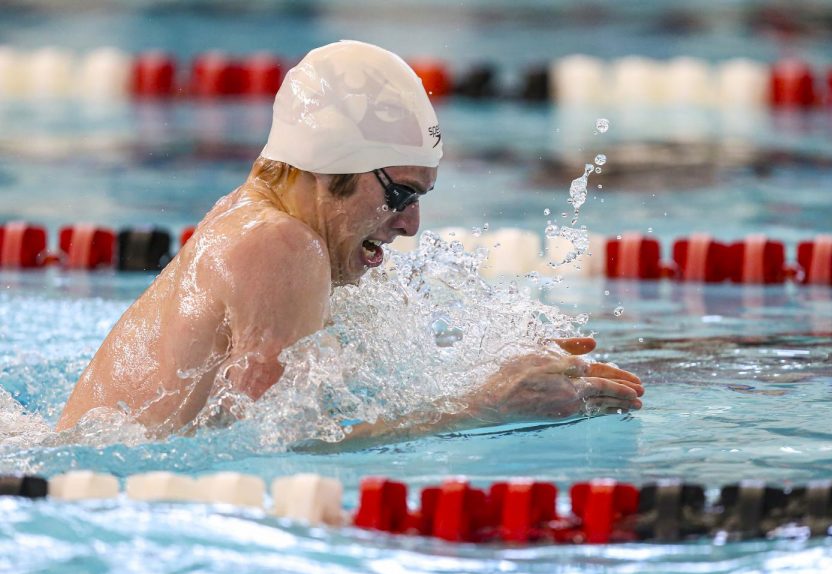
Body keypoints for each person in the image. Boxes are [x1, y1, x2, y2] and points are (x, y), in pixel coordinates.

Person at [57, 40, 643, 442]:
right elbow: (269, 450)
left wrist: (494, 367)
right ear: (329, 168)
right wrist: (486, 407)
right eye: (400, 195)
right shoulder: (285, 248)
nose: (410, 225)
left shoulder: (255, 219)